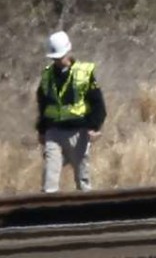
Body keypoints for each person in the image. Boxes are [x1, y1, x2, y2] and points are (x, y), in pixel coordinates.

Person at [36, 30, 106, 193]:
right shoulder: (47, 75)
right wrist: (41, 130)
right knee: (49, 180)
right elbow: (43, 104)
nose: (58, 61)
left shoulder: (83, 73)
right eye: (55, 58)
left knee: (82, 179)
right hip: (54, 132)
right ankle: (47, 214)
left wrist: (94, 126)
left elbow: (97, 102)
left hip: (79, 132)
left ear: (68, 51)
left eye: (60, 57)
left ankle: (87, 214)